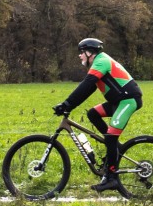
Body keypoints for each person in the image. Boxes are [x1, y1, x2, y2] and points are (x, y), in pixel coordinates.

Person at [55, 37, 143, 192]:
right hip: (118, 101)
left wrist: (67, 104)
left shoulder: (101, 61)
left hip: (128, 101)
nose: (80, 55)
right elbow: (88, 89)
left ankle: (112, 178)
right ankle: (114, 149)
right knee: (93, 114)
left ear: (90, 53)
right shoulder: (99, 63)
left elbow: (86, 85)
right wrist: (69, 105)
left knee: (110, 136)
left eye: (81, 52)